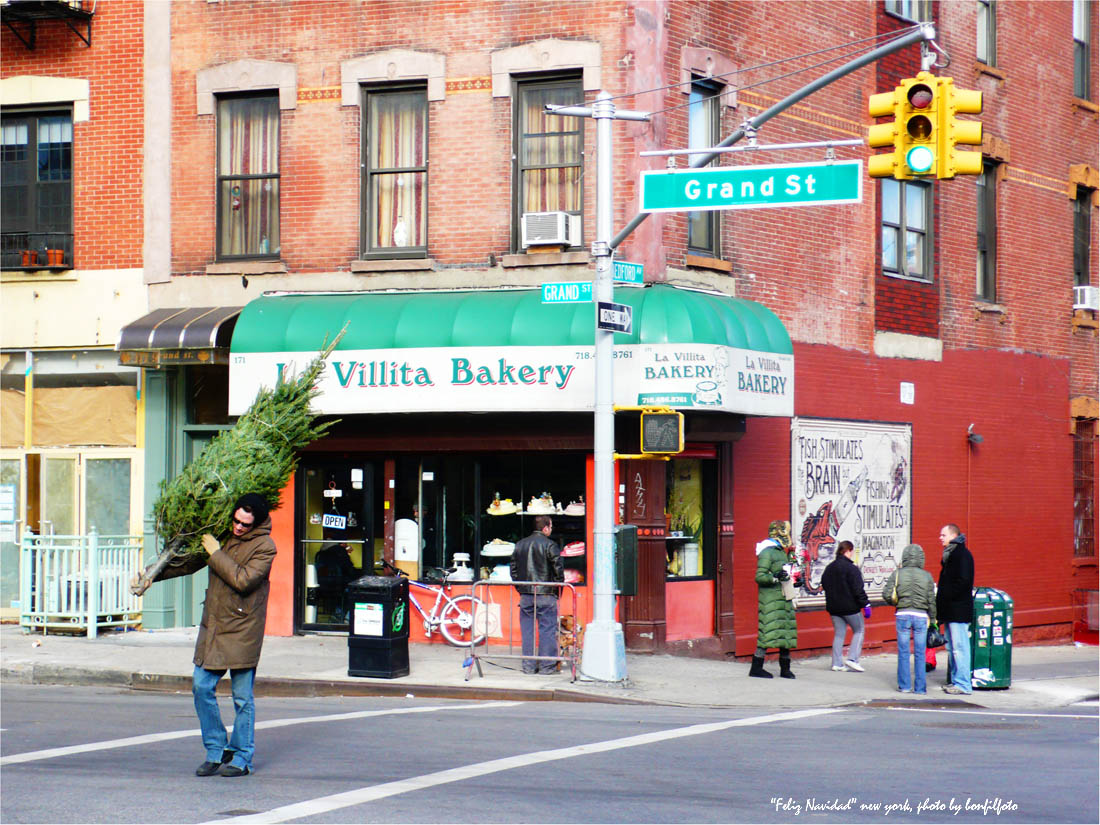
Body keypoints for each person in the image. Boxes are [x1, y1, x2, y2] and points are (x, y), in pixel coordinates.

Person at [149, 493, 277, 777]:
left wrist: (216, 553)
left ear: (256, 523)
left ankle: (242, 757)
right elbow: (189, 562)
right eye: (236, 520)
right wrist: (150, 576)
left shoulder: (265, 547)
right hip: (215, 626)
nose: (238, 527)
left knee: (242, 698)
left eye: (245, 524)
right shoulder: (222, 534)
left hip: (244, 629)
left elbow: (243, 581)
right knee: (201, 687)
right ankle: (217, 749)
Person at [510, 514, 564, 674]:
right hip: (546, 594)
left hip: (526, 595)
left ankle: (528, 666)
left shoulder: (520, 545)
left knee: (527, 631)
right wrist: (556, 591)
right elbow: (558, 571)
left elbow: (513, 570)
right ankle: (547, 667)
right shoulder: (550, 545)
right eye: (551, 527)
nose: (551, 530)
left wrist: (521, 589)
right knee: (547, 630)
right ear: (546, 528)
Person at [882, 543, 937, 694]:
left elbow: (887, 594)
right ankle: (920, 688)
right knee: (920, 653)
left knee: (903, 651)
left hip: (903, 614)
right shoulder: (927, 576)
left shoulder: (897, 574)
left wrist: (896, 602)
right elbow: (931, 600)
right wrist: (933, 620)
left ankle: (905, 686)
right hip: (920, 616)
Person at [750, 520, 798, 679]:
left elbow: (785, 574)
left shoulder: (781, 551)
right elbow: (760, 576)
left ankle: (785, 669)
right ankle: (756, 668)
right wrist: (775, 577)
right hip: (771, 600)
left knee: (786, 633)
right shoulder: (768, 552)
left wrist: (795, 579)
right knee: (767, 633)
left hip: (783, 598)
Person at [820, 540, 870, 672]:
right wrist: (865, 604)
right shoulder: (852, 569)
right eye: (852, 551)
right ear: (848, 551)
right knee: (859, 630)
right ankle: (853, 659)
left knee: (839, 634)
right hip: (850, 607)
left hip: (834, 608)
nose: (853, 554)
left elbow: (824, 584)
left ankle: (836, 663)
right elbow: (858, 589)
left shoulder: (829, 568)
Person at [937, 523, 975, 695]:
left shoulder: (961, 555)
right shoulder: (952, 555)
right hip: (952, 610)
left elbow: (963, 582)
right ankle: (955, 681)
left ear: (953, 536)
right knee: (953, 649)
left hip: (958, 610)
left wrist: (946, 595)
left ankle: (963, 684)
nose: (940, 538)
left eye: (943, 535)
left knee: (960, 648)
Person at [314, 542, 360, 621]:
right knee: (353, 590)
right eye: (345, 543)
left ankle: (337, 613)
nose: (347, 545)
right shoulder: (340, 551)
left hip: (321, 585)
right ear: (341, 543)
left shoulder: (321, 554)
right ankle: (342, 614)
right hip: (337, 584)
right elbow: (348, 568)